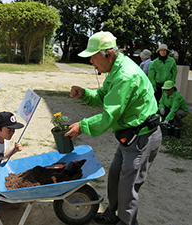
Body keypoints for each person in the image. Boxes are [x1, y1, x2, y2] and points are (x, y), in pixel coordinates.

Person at [65, 31, 162, 225]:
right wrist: (84, 93)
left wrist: (82, 126)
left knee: (128, 187)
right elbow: (103, 96)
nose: (91, 61)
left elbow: (109, 115)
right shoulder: (115, 70)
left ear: (107, 53)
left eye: (93, 56)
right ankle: (112, 214)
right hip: (128, 136)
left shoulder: (125, 75)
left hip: (141, 138)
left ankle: (126, 222)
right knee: (115, 177)